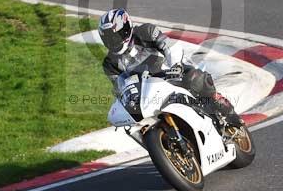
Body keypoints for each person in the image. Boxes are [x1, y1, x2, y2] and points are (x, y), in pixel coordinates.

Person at [98, 8, 243, 128]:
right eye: (109, 39)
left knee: (195, 79)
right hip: (147, 92)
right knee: (137, 125)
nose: (113, 41)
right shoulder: (110, 63)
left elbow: (168, 47)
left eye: (116, 36)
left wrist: (175, 66)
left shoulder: (145, 32)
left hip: (171, 72)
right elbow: (120, 88)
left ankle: (227, 111)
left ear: (126, 28)